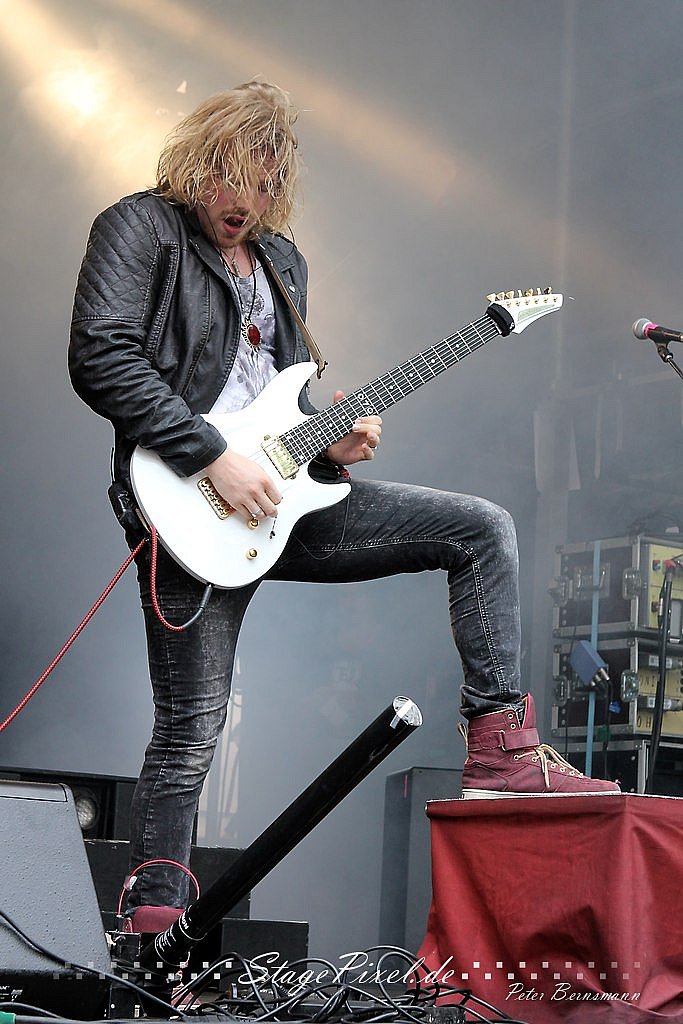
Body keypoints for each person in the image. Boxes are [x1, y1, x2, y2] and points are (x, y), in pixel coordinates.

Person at [69, 81, 619, 917]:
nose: (246, 202)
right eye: (231, 179)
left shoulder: (283, 262)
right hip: (184, 509)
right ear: (199, 163)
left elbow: (278, 404)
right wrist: (213, 456)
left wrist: (325, 445)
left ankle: (500, 747)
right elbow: (101, 358)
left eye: (265, 186)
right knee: (191, 729)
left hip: (281, 505)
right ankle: (154, 920)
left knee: (481, 529)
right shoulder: (140, 228)